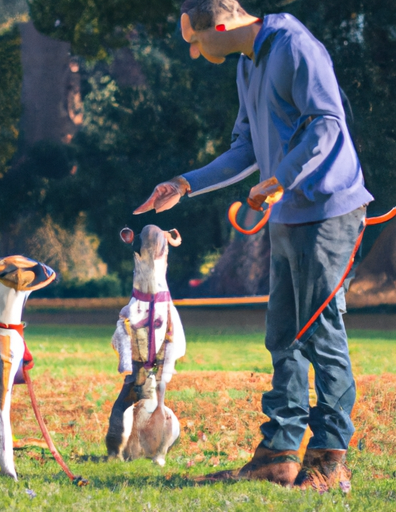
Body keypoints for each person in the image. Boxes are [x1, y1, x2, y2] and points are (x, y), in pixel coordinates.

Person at [134, 0, 373, 492]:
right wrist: (184, 183)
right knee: (283, 335)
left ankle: (329, 463)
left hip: (328, 211)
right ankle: (279, 456)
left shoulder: (295, 47)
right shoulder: (248, 65)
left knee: (320, 334)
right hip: (286, 215)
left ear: (221, 24)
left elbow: (327, 123)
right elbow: (245, 150)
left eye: (197, 42)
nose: (197, 54)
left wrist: (280, 178)